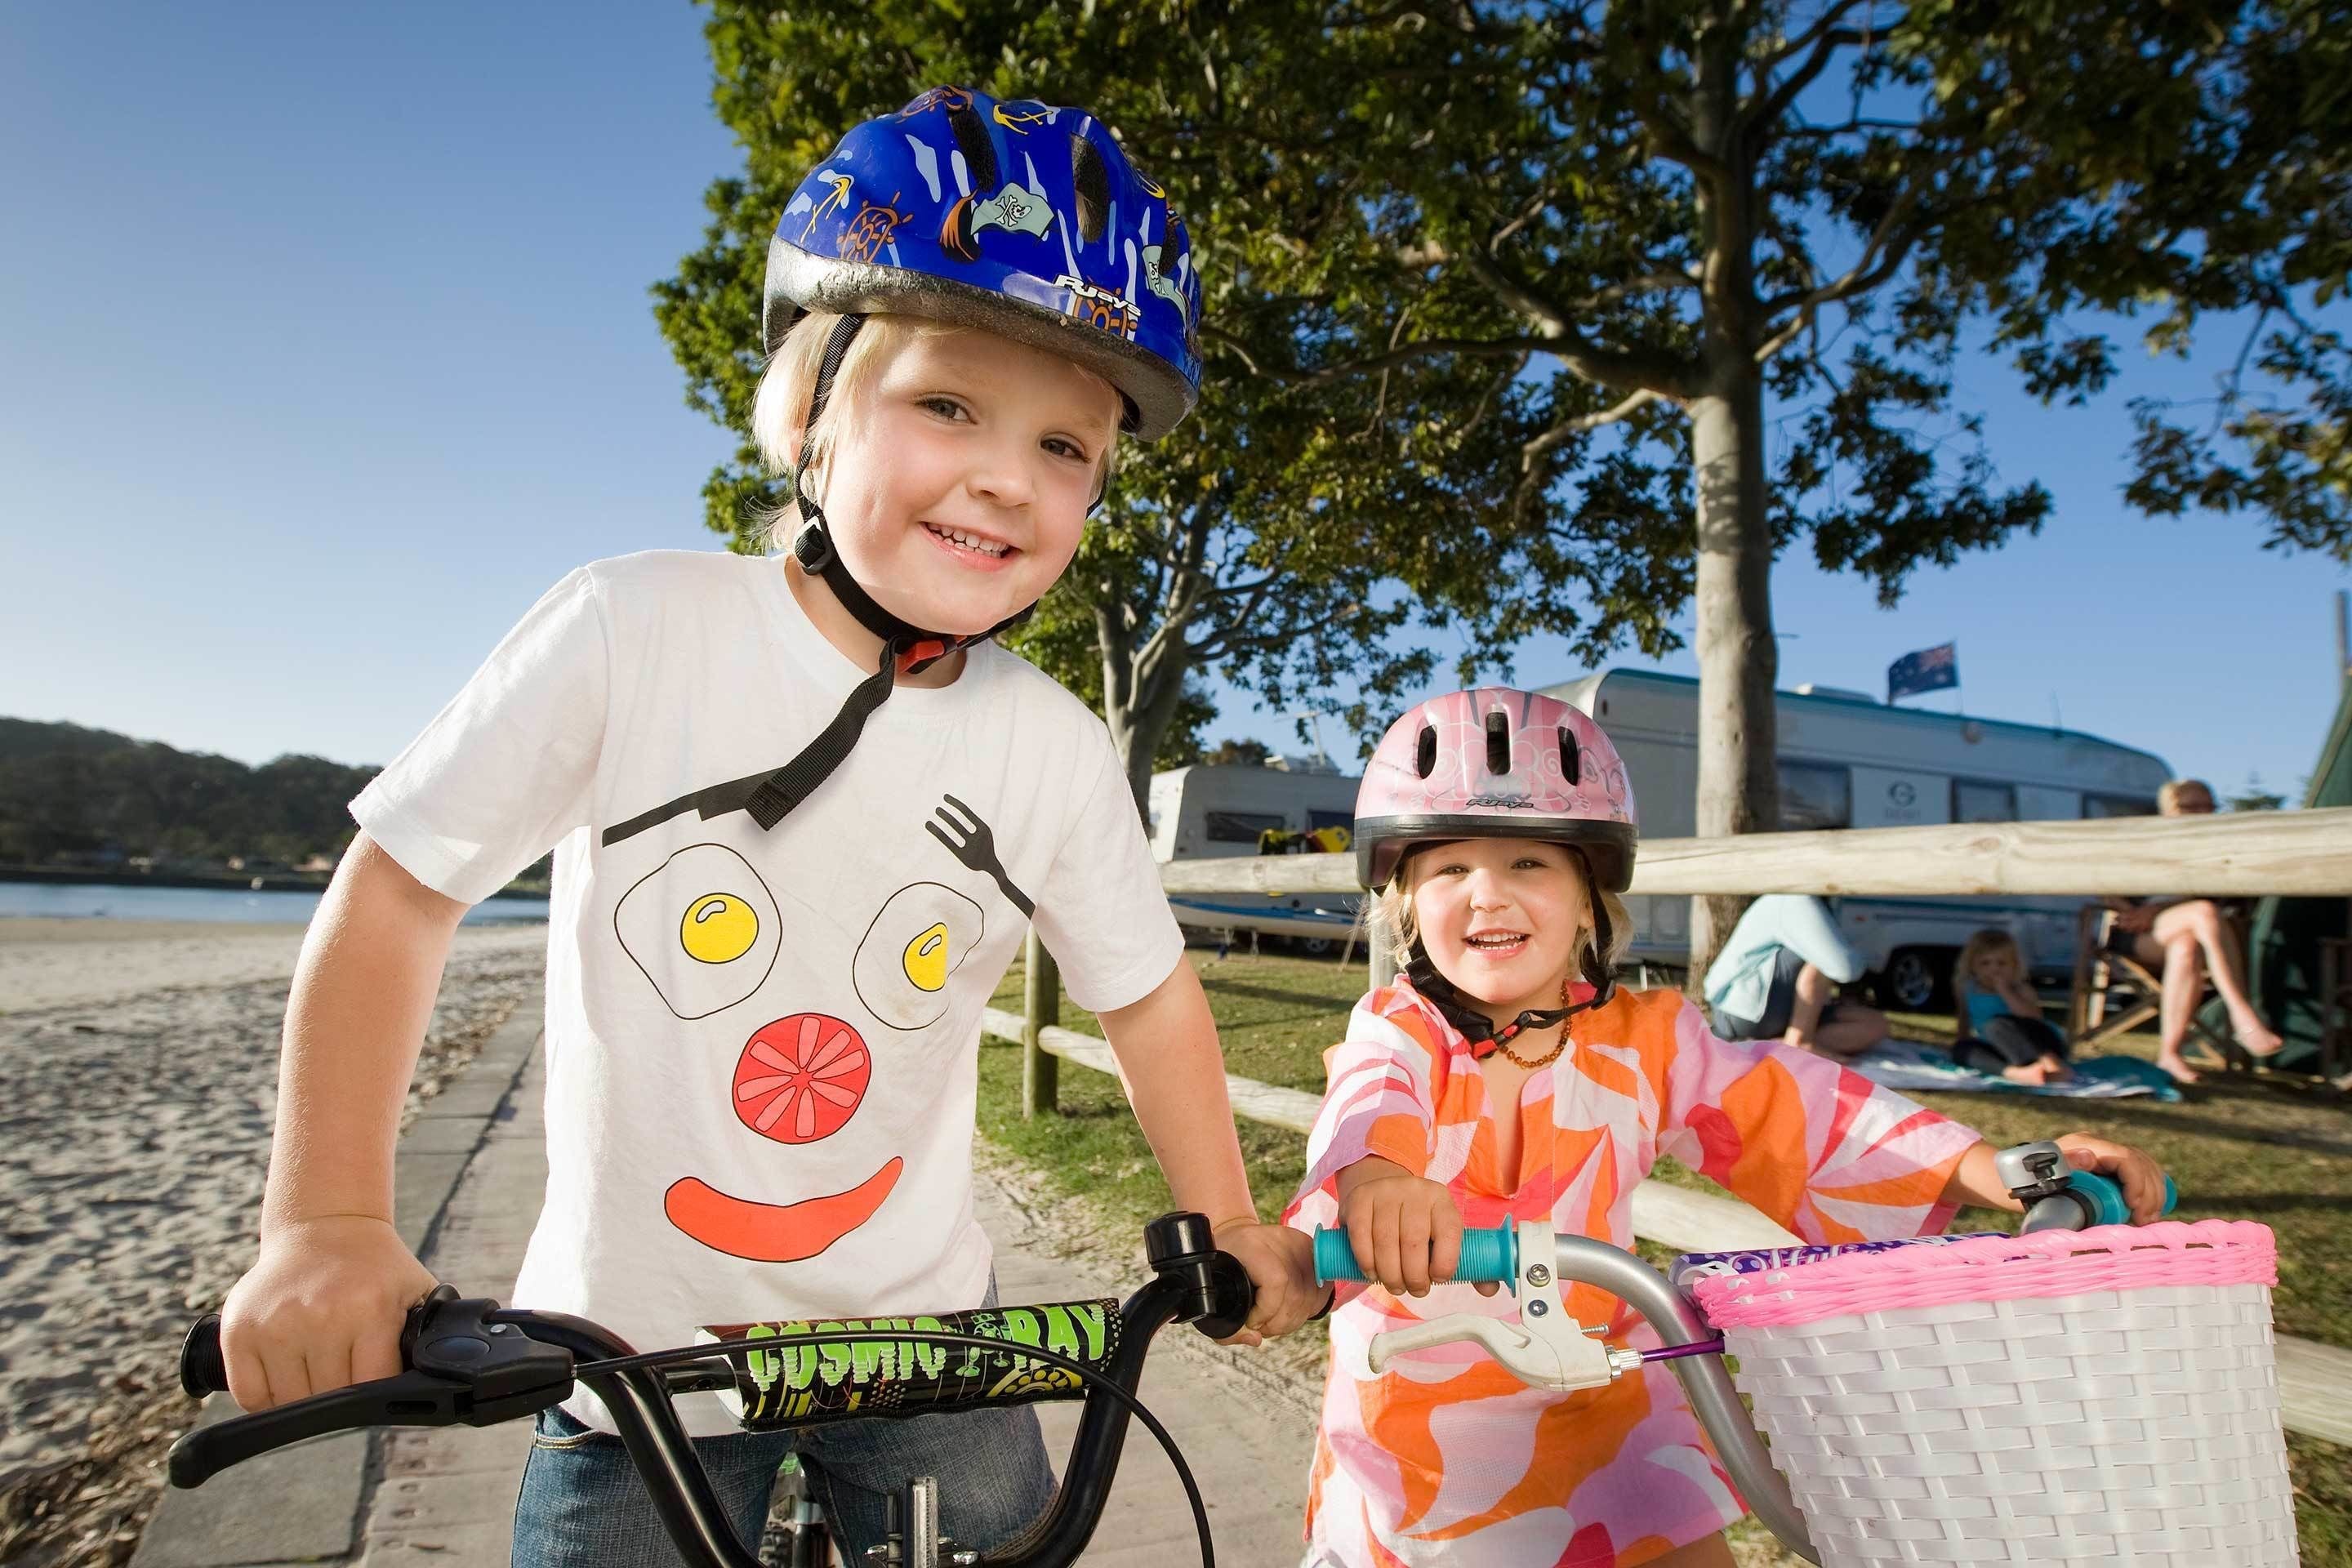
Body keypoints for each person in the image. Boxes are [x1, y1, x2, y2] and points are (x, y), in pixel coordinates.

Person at [216, 86, 1320, 1567]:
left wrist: (1223, 1221)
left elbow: (1148, 992)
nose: (1009, 473)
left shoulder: (1050, 747)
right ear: (807, 411)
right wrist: (330, 1222)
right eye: (947, 404)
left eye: (1069, 449)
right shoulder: (635, 629)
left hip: (929, 1347)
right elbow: (403, 891)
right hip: (630, 1353)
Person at [1285, 688, 2170, 1568]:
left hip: (1601, 1395)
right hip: (1425, 1418)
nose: (1488, 896)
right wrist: (1377, 1181)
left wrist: (1999, 1171)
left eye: (1530, 864)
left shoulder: (1649, 1042)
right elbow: (1372, 1096)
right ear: (1404, 902)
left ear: (1591, 898)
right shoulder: (1401, 1029)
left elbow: (1794, 1110)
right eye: (1449, 869)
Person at [2103, 776, 2283, 1084]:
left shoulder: (2217, 849)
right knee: (2204, 912)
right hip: (2140, 934)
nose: (2203, 813)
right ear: (2169, 809)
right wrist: (2128, 910)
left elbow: (2221, 891)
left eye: (2209, 806)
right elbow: (2101, 882)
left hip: (2187, 932)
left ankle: (2170, 1054)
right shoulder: (2142, 843)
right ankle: (2241, 1011)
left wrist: (2155, 909)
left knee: (2189, 941)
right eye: (2192, 806)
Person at [1701, 892, 1890, 1056]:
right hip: (1743, 1012)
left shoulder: (1813, 903)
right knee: (1821, 960)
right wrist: (1857, 952)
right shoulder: (1792, 900)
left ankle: (1778, 1046)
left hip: (1771, 1015)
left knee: (1875, 1025)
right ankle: (1799, 1043)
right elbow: (1845, 969)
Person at [1951, 928, 2073, 1085]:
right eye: (1985, 963)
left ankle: (2052, 1066)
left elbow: (2033, 1019)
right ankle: (2016, 1073)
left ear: (2014, 965)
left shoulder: (2021, 989)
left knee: (1995, 1025)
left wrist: (2005, 991)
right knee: (1962, 1049)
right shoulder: (1967, 988)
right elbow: (1964, 1017)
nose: (1994, 970)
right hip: (2002, 1049)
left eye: (2001, 963)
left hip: (2041, 1046)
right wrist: (1962, 1039)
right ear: (1973, 966)